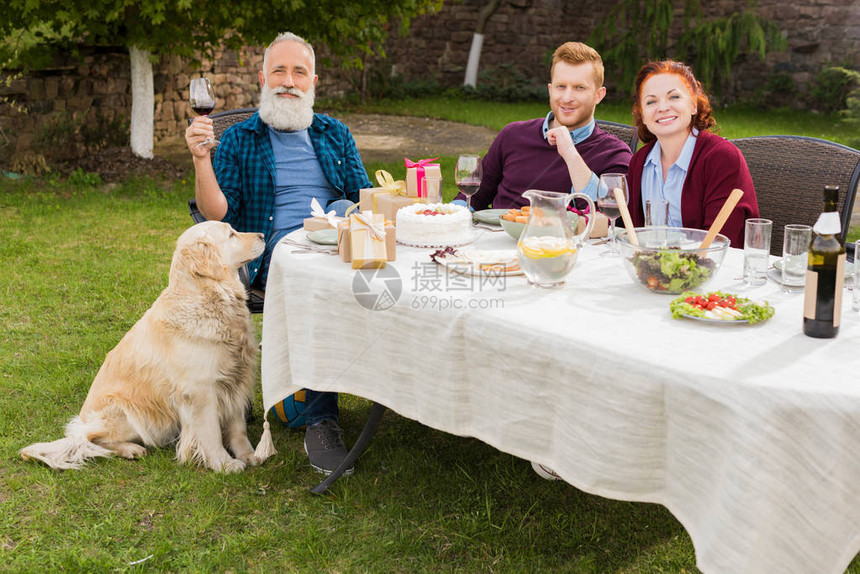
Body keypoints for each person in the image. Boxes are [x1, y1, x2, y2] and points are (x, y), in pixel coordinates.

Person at [185, 32, 372, 477]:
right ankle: (321, 419)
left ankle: (395, 387)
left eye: (299, 72)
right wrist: (200, 160)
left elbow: (364, 199)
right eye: (279, 71)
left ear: (313, 82)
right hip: (275, 255)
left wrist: (349, 213)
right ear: (262, 78)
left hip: (338, 248)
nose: (289, 81)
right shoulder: (240, 140)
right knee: (314, 281)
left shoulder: (334, 133)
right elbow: (215, 214)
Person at [459, 41, 633, 210]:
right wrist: (444, 218)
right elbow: (473, 196)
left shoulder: (615, 154)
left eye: (579, 87)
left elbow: (611, 219)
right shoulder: (512, 135)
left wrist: (570, 153)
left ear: (598, 95)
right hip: (498, 236)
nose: (566, 97)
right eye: (561, 86)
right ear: (550, 90)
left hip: (566, 239)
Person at [625, 60, 758, 246]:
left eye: (674, 97)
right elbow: (633, 237)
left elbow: (721, 243)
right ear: (642, 115)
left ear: (694, 105)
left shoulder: (723, 159)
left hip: (710, 271)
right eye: (651, 101)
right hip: (651, 271)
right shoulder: (639, 162)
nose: (662, 107)